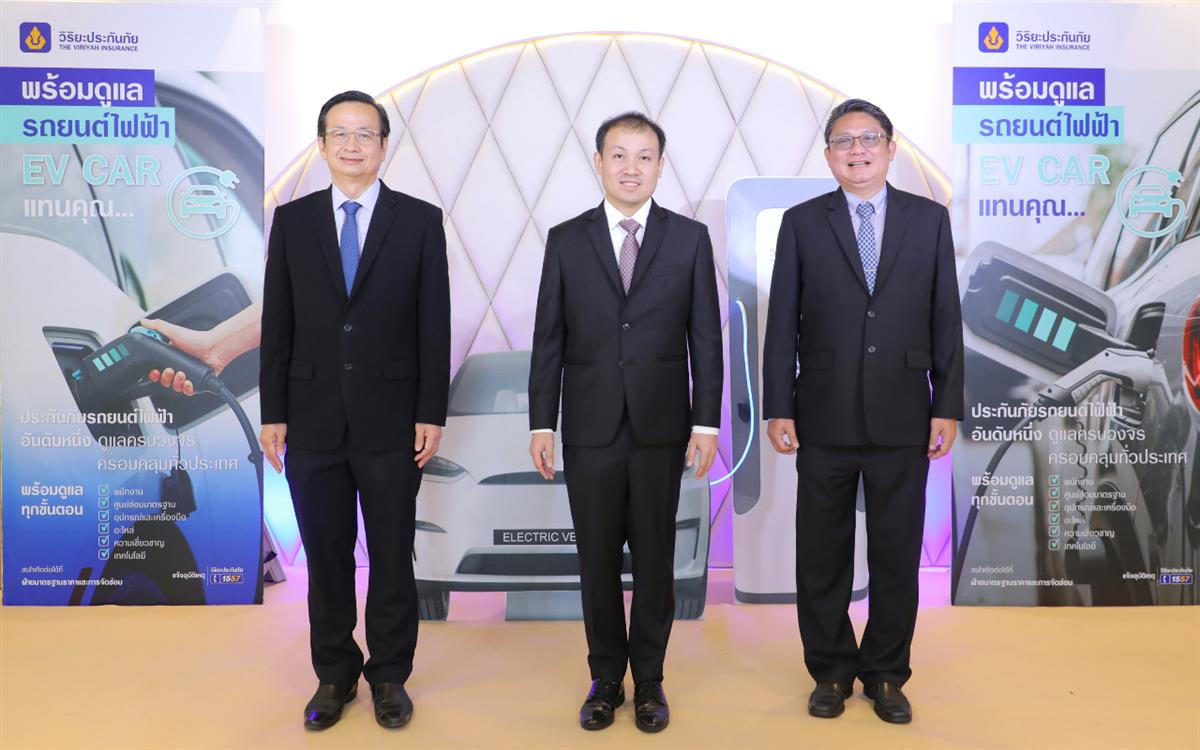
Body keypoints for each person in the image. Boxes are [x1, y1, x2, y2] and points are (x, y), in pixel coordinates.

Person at [761, 98, 964, 724]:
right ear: (828, 156)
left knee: (896, 554)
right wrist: (778, 405)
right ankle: (830, 670)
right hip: (822, 415)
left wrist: (946, 404)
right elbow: (782, 322)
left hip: (904, 414)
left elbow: (945, 317)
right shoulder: (801, 223)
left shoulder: (928, 220)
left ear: (890, 148)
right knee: (821, 554)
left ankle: (885, 674)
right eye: (844, 141)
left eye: (869, 138)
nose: (858, 150)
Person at [259, 90, 450, 731]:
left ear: (383, 146)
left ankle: (390, 675)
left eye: (364, 134)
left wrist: (431, 410)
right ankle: (335, 674)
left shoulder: (419, 220)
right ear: (321, 145)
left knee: (393, 554)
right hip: (311, 417)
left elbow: (434, 324)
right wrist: (274, 410)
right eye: (339, 133)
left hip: (394, 420)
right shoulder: (293, 221)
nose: (351, 144)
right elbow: (278, 323)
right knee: (326, 555)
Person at [528, 111, 722, 734]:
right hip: (589, 427)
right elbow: (549, 338)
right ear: (598, 162)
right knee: (597, 560)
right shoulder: (566, 239)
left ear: (661, 165)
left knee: (656, 560)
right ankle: (606, 679)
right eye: (619, 155)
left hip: (662, 428)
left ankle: (652, 681)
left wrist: (707, 423)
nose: (631, 167)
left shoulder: (689, 239)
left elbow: (705, 339)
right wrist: (541, 423)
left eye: (644, 156)